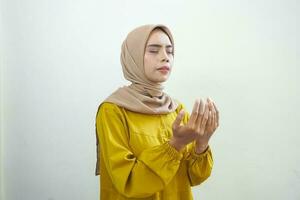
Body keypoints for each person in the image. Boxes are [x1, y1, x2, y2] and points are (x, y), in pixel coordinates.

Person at [95, 24, 219, 200]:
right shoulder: (113, 111)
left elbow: (194, 177)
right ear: (133, 57)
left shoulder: (177, 110)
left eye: (170, 51)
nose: (165, 57)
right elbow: (130, 183)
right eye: (154, 50)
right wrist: (175, 144)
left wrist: (202, 143)